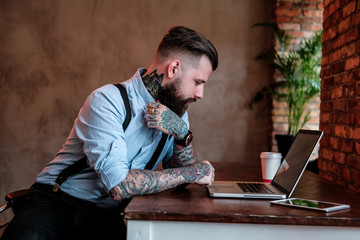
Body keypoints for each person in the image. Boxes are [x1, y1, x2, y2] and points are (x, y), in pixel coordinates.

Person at [1, 25, 218, 240]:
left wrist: (182, 133)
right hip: (56, 203)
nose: (200, 94)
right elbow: (119, 185)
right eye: (198, 82)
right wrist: (193, 173)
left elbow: (185, 171)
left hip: (105, 216)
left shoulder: (177, 109)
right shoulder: (107, 100)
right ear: (173, 69)